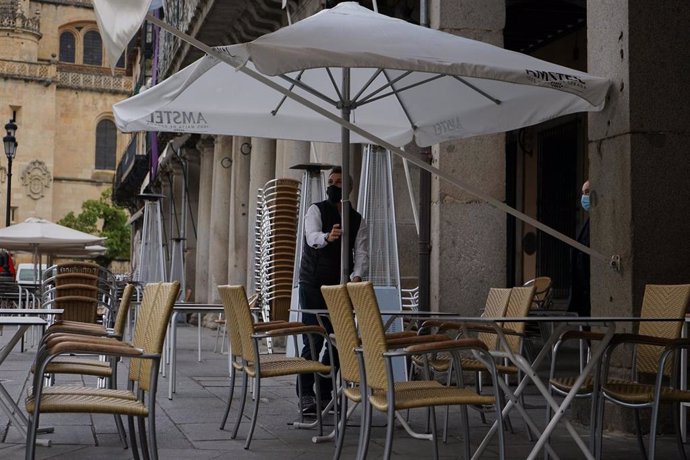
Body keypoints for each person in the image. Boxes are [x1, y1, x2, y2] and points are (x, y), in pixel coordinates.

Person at [297, 166, 368, 415]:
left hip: (340, 287)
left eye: (338, 182)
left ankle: (325, 390)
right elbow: (311, 236)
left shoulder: (357, 218)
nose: (333, 185)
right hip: (313, 282)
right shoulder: (316, 209)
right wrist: (328, 237)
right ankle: (306, 394)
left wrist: (357, 274)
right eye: (331, 181)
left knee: (339, 341)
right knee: (314, 338)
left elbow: (360, 250)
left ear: (348, 188)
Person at [568, 179, 590, 317]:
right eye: (583, 193)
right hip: (583, 292)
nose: (584, 197)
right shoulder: (586, 224)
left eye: (587, 192)